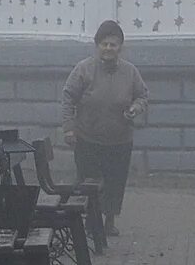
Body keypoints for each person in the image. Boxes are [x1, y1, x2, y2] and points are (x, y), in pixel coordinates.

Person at [60, 19, 148, 232]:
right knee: (89, 182)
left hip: (119, 140)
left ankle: (109, 221)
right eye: (104, 44)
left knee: (114, 182)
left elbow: (142, 95)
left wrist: (135, 108)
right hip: (88, 138)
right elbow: (68, 98)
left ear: (120, 47)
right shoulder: (83, 69)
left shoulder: (130, 72)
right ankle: (92, 220)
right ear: (97, 45)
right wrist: (69, 128)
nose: (108, 48)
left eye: (113, 44)